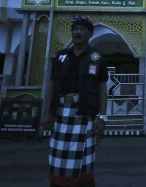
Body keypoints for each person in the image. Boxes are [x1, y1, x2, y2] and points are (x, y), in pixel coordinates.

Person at [42, 14, 108, 187]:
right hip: (61, 113)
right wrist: (46, 113)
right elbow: (53, 85)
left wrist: (103, 117)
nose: (78, 32)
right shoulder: (61, 56)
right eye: (75, 29)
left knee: (83, 161)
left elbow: (102, 88)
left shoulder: (97, 57)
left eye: (83, 29)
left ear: (90, 34)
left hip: (85, 114)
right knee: (58, 160)